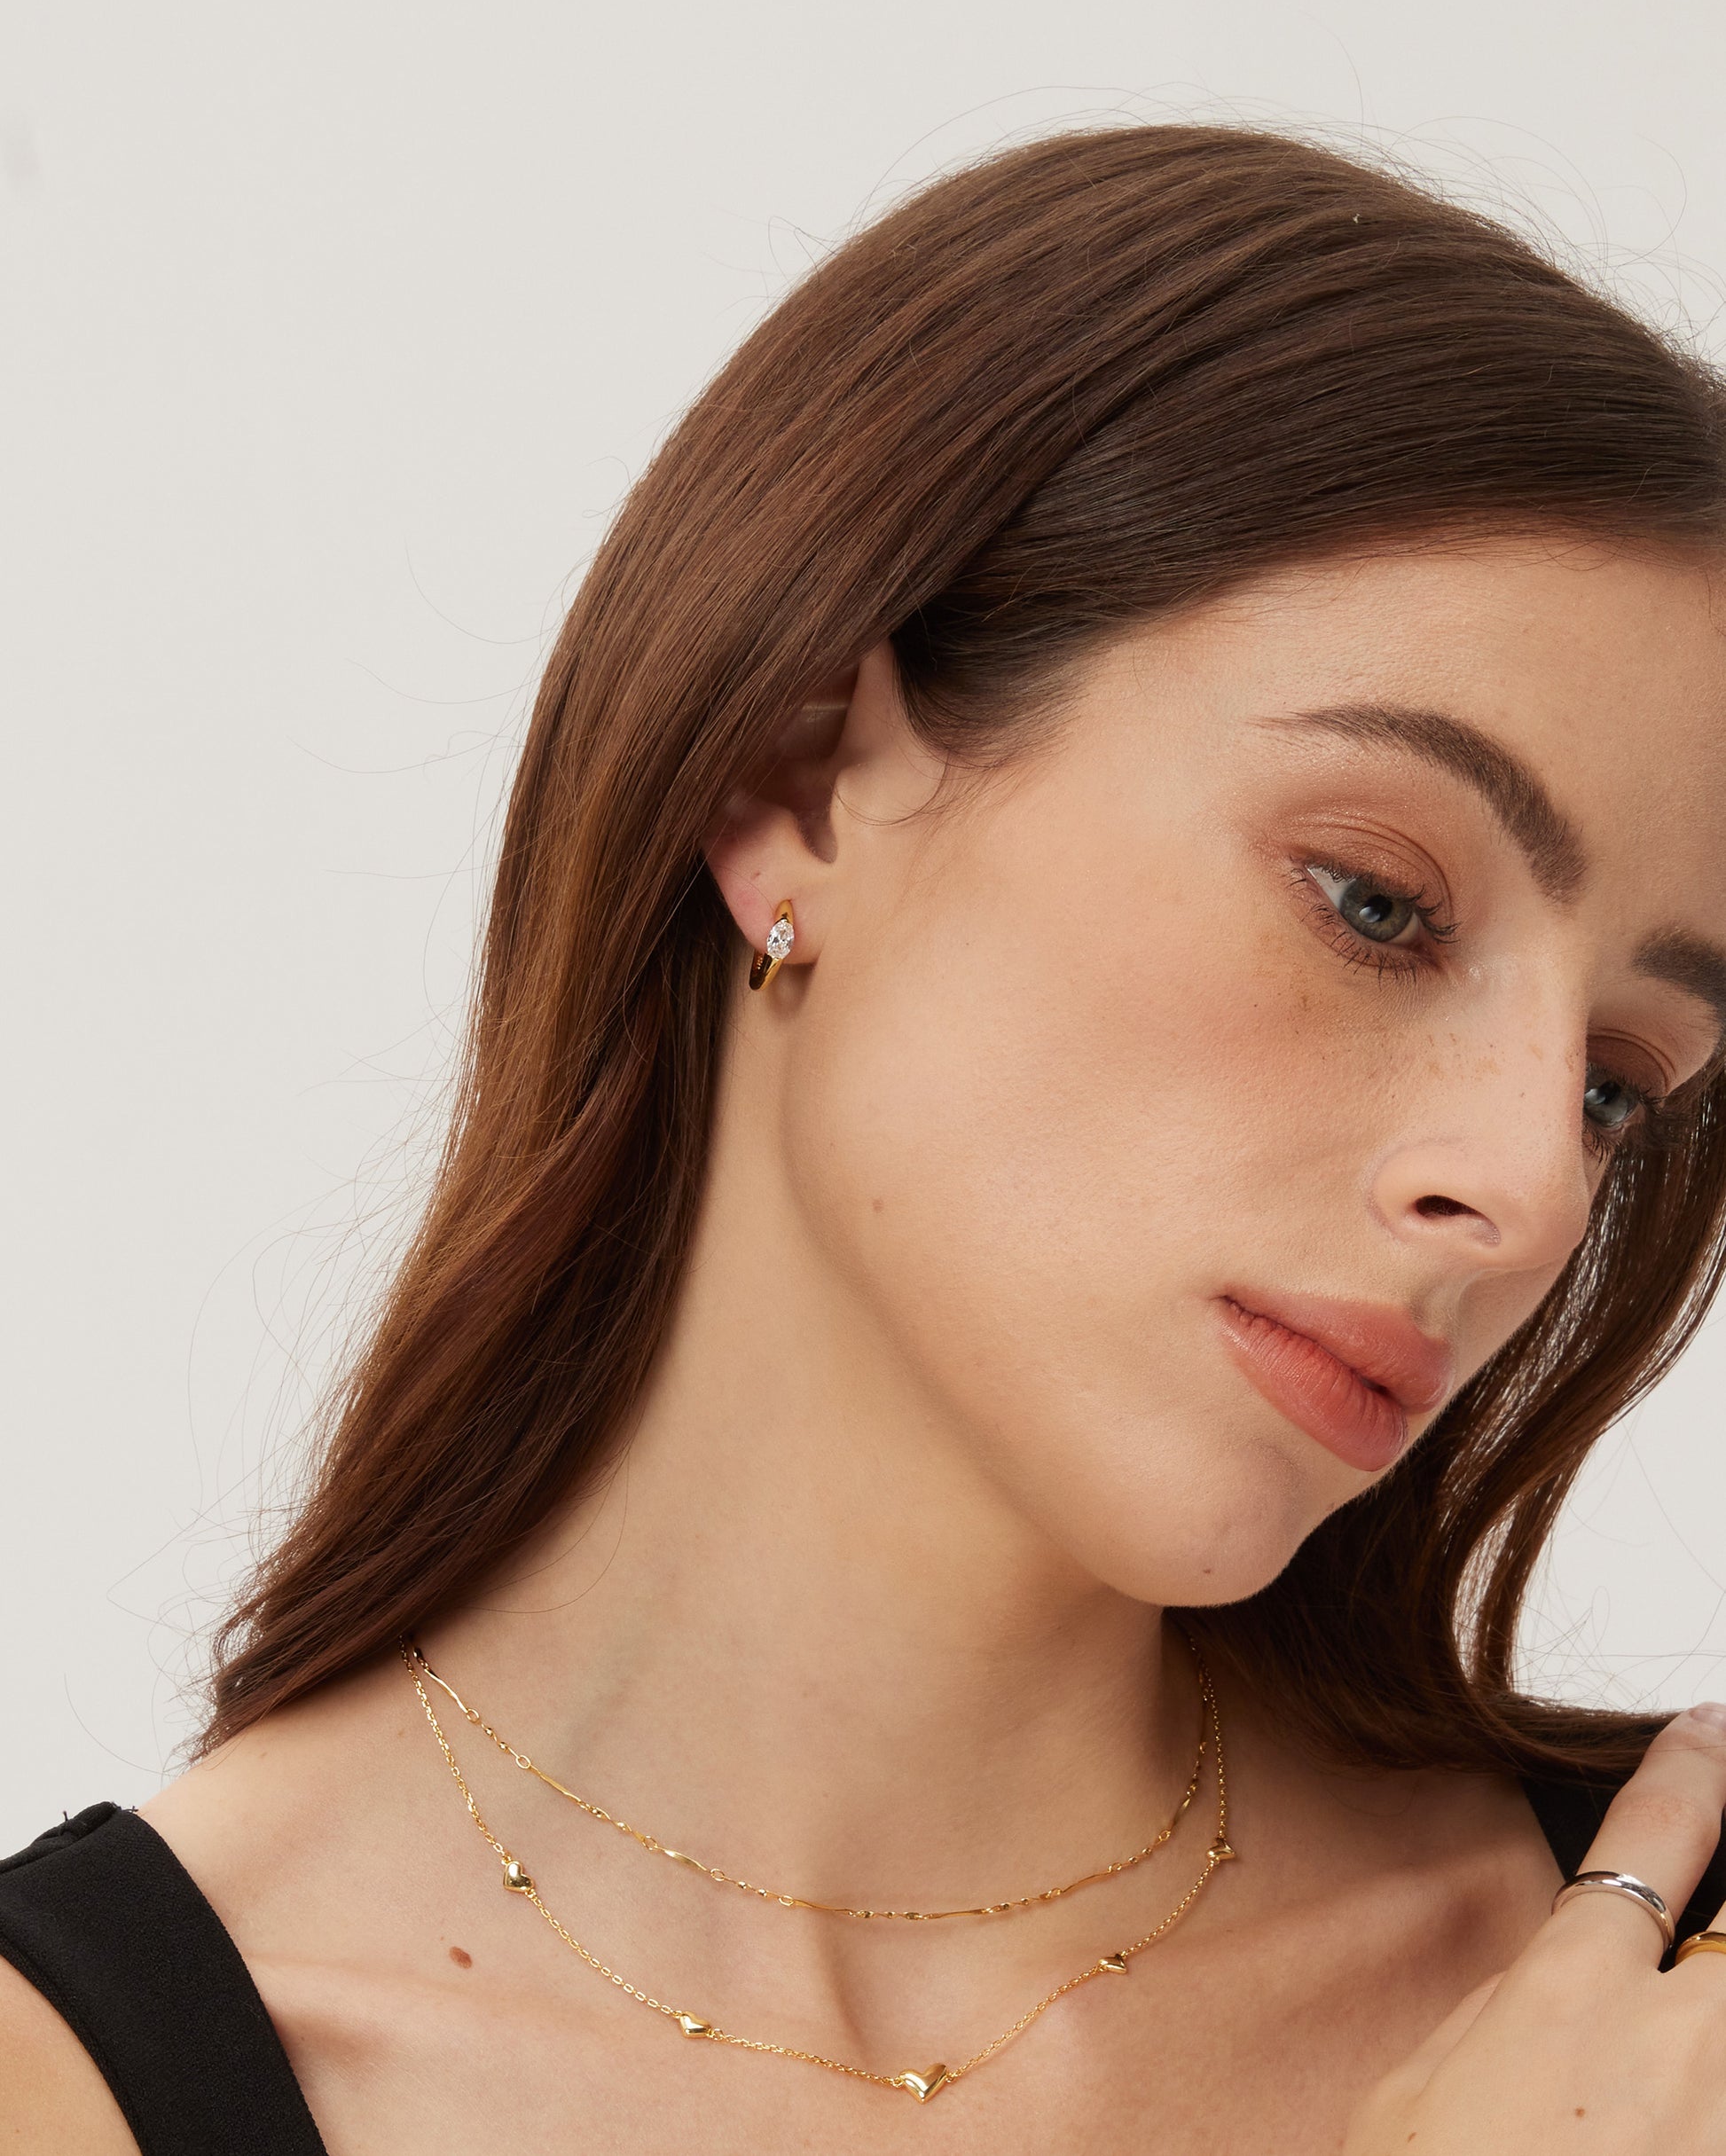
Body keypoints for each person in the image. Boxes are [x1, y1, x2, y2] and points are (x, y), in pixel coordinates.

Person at [4, 122, 1726, 2155]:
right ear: (800, 774)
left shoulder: (1665, 2007)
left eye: (1617, 1077)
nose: (1524, 1187)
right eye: (1373, 898)